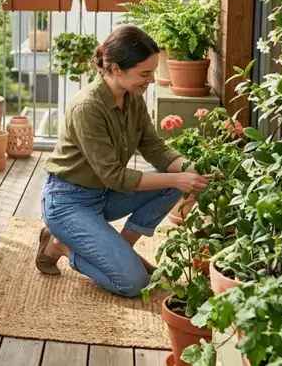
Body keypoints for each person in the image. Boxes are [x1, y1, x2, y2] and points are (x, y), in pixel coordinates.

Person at [37, 25, 208, 297]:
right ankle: (60, 245)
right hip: (68, 202)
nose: (151, 79)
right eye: (144, 73)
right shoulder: (87, 108)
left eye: (152, 72)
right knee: (133, 283)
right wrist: (178, 177)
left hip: (104, 196)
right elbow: (115, 176)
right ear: (116, 69)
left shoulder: (133, 99)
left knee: (177, 184)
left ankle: (120, 250)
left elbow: (155, 149)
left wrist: (195, 172)